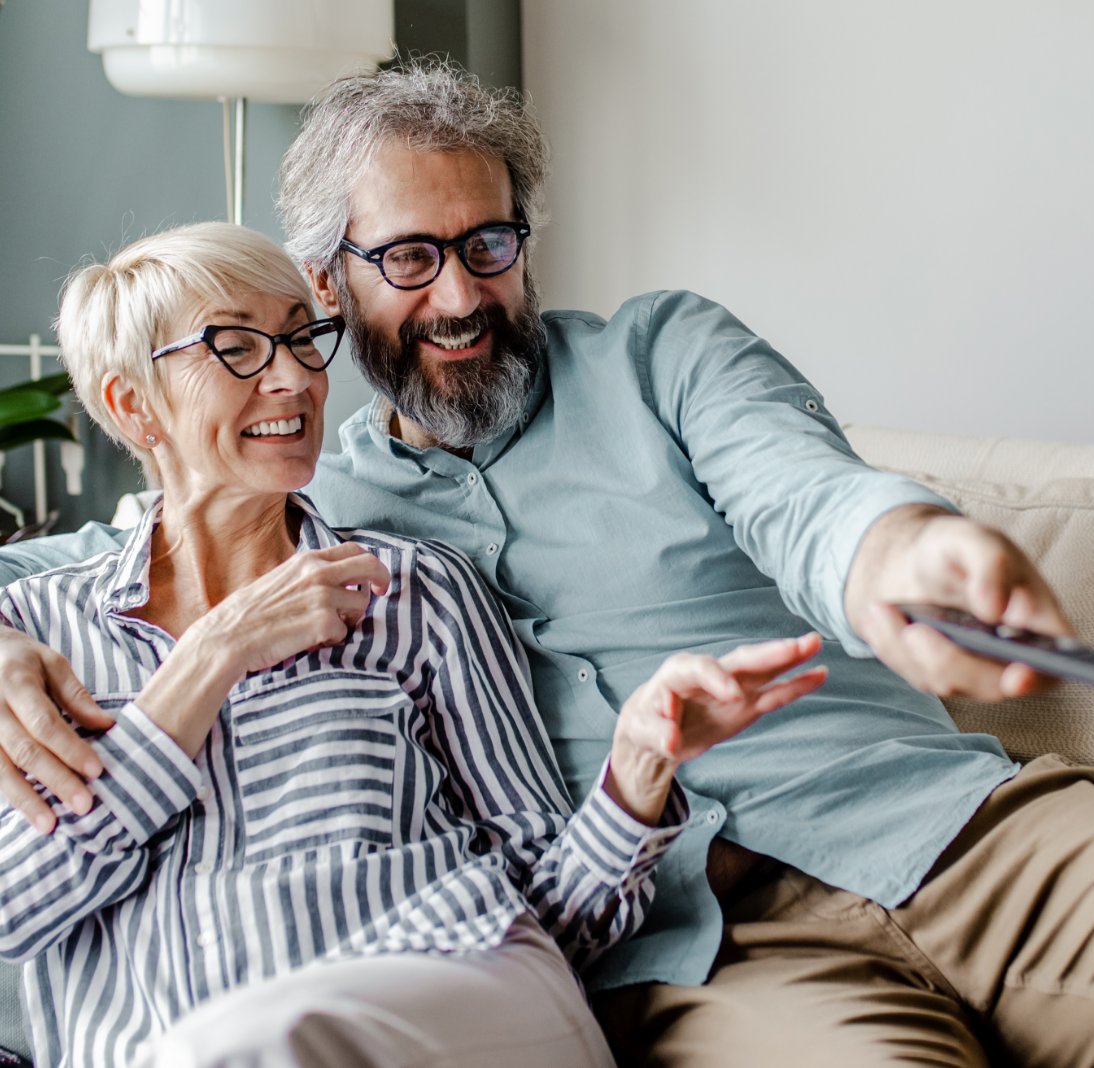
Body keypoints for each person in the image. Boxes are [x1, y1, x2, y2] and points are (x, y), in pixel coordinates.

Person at [2, 60, 1094, 1067]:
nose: (460, 295)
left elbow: (806, 495)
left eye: (489, 244)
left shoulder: (663, 357)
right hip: (706, 955)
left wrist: (902, 550)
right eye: (409, 258)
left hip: (949, 832)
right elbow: (116, 562)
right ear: (330, 279)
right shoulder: (306, 498)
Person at [0, 221, 826, 1068]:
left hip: (454, 997)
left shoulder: (412, 590)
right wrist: (211, 659)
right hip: (166, 1053)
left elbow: (551, 912)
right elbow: (13, 905)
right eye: (236, 348)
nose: (294, 378)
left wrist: (636, 774)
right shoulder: (35, 634)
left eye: (302, 339)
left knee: (246, 1048)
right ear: (131, 405)